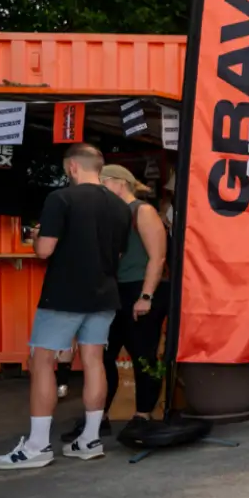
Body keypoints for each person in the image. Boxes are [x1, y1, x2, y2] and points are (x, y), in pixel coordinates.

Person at [0, 144, 130, 470]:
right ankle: (90, 440)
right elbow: (119, 255)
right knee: (94, 361)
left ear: (71, 167)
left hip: (64, 294)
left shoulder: (61, 199)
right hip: (104, 294)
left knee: (41, 361)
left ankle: (38, 445)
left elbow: (44, 250)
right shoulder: (121, 206)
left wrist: (38, 238)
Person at [64, 164, 167, 444]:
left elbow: (157, 257)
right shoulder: (110, 213)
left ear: (120, 183)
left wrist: (146, 296)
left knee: (143, 355)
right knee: (103, 356)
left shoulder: (142, 211)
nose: (99, 190)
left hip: (140, 288)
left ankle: (143, 415)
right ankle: (99, 416)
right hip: (112, 291)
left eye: (103, 183)